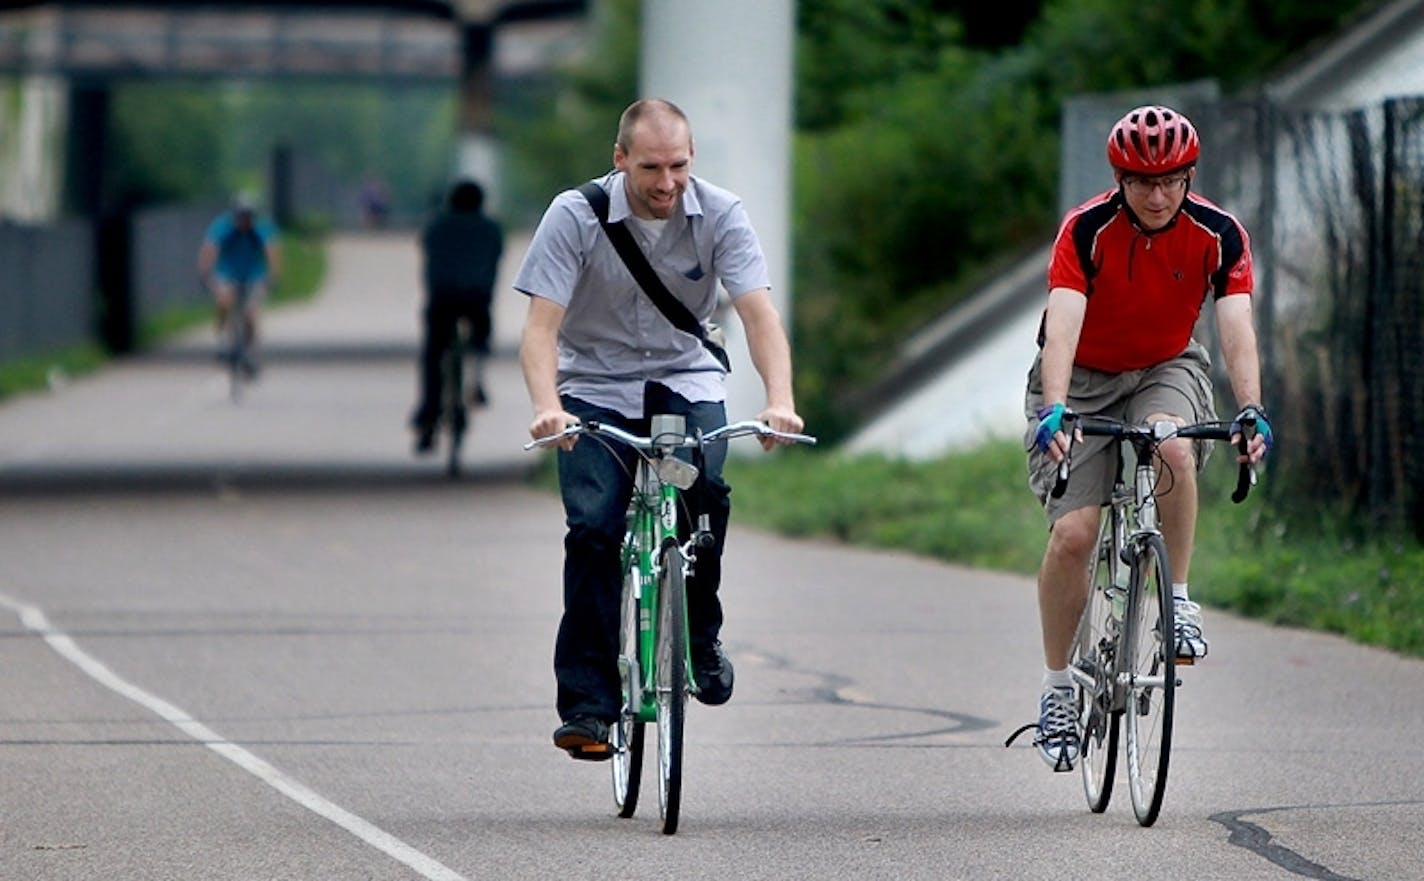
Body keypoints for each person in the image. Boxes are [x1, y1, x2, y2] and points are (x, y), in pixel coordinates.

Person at [516, 98, 804, 759]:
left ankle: (699, 633)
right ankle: (589, 706)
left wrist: (779, 399)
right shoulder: (575, 215)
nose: (666, 182)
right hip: (594, 385)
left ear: (691, 159)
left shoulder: (722, 213)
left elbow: (761, 318)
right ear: (620, 160)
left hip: (686, 376)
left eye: (678, 165)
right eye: (650, 167)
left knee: (703, 490)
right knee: (593, 527)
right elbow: (540, 331)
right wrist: (546, 404)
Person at [1022, 105, 1273, 771]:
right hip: (1079, 380)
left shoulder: (1219, 233)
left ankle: (1179, 599)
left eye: (1171, 181)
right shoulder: (1085, 230)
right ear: (1119, 179)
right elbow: (1063, 323)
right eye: (1141, 182)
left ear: (1190, 177)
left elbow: (1235, 326)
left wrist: (1250, 409)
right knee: (1074, 533)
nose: (1157, 196)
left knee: (1172, 446)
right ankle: (1055, 689)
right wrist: (1054, 407)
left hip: (1165, 366)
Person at [410, 178, 504, 454]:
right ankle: (477, 378)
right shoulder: (490, 228)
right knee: (481, 336)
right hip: (476, 297)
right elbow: (495, 260)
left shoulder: (437, 226)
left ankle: (428, 415)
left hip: (442, 298)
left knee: (433, 354)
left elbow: (427, 254)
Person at [197, 194, 281, 376]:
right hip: (227, 271)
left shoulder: (261, 226)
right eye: (241, 217)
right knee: (224, 300)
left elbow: (271, 251)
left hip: (253, 273)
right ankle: (221, 341)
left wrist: (273, 276)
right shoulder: (222, 226)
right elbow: (210, 249)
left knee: (251, 313)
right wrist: (206, 273)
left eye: (248, 217)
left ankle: (249, 351)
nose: (245, 221)